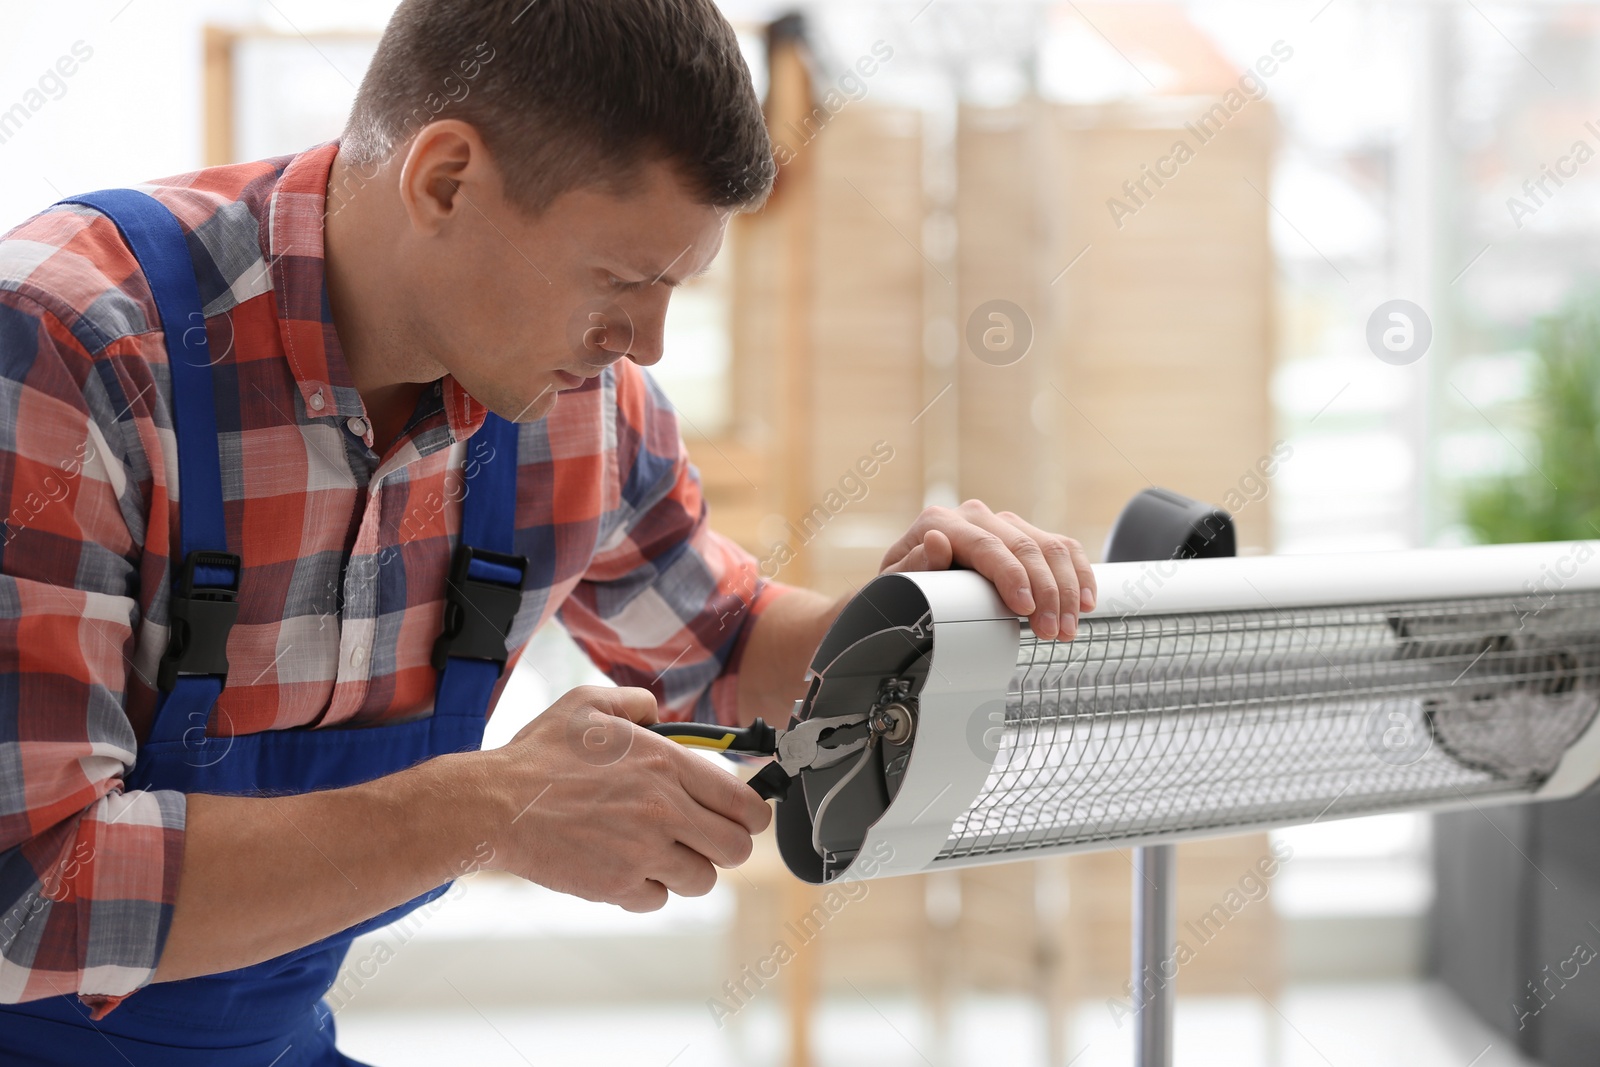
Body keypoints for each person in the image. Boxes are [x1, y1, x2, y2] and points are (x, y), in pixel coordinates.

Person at [0, 0, 1096, 1062]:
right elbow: (29, 892)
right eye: (622, 279)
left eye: (677, 286)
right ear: (445, 180)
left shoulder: (573, 405)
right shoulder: (72, 346)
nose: (647, 343)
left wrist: (917, 622)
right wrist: (490, 807)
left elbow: (717, 650)